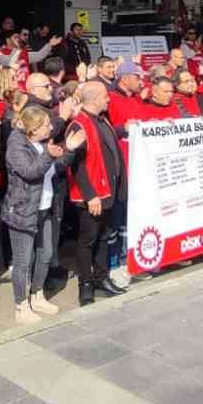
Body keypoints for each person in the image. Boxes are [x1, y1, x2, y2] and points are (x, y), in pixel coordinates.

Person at [3, 105, 78, 324]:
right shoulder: (16, 146)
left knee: (45, 253)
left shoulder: (44, 142)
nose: (50, 128)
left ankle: (37, 295)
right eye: (45, 125)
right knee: (23, 262)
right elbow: (31, 171)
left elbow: (59, 165)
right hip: (23, 209)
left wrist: (69, 149)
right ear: (33, 130)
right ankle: (21, 305)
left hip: (46, 206)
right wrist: (48, 154)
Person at [66, 82, 125, 306]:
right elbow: (77, 167)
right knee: (88, 240)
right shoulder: (79, 125)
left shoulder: (102, 120)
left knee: (102, 238)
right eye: (105, 96)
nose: (108, 99)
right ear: (93, 99)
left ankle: (102, 278)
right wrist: (91, 195)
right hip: (93, 196)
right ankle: (86, 285)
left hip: (107, 191)